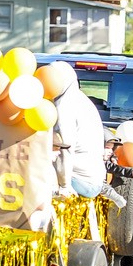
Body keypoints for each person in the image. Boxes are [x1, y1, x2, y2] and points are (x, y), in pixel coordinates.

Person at [51, 61, 107, 197]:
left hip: (83, 181)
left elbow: (65, 149)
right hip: (93, 179)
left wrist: (64, 186)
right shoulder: (79, 98)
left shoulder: (64, 106)